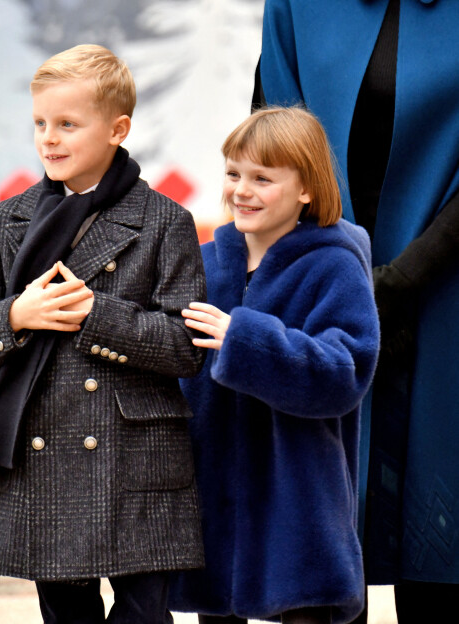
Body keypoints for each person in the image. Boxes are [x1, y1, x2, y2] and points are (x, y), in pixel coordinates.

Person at [0, 44, 206, 624]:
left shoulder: (165, 221)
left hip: (136, 459)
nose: (49, 138)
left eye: (68, 124)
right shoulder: (6, 221)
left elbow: (185, 348)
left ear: (118, 129)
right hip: (44, 454)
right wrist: (17, 316)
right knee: (67, 615)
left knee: (144, 617)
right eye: (40, 123)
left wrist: (96, 314)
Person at [256, 1, 459, 621]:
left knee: (444, 548)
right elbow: (274, 143)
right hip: (323, 299)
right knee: (321, 567)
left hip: (450, 298)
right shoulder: (294, 4)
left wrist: (405, 281)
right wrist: (342, 286)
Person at [168, 106, 380, 624]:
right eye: (234, 173)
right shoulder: (202, 262)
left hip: (298, 503)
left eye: (263, 178)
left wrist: (244, 339)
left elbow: (344, 371)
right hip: (209, 500)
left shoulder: (334, 266)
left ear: (306, 188)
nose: (242, 190)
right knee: (214, 608)